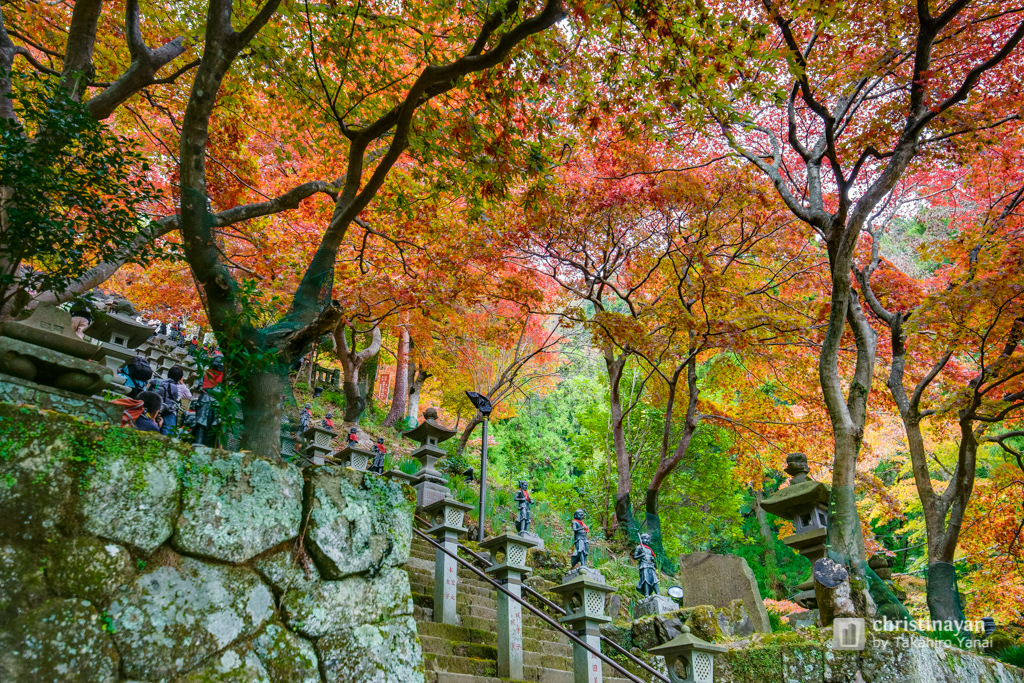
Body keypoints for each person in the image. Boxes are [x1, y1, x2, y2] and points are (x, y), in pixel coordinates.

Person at [150, 366, 191, 436]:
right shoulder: (181, 387)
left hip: (157, 409)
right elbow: (189, 396)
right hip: (170, 412)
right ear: (180, 377)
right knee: (167, 435)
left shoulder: (161, 383)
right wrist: (182, 383)